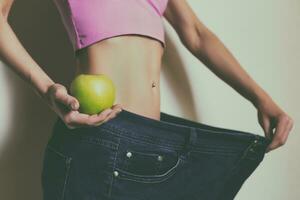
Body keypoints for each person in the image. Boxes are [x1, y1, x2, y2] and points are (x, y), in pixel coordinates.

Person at [0, 0, 293, 199]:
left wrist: (261, 98)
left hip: (156, 151)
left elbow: (196, 33)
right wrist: (47, 88)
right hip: (98, 142)